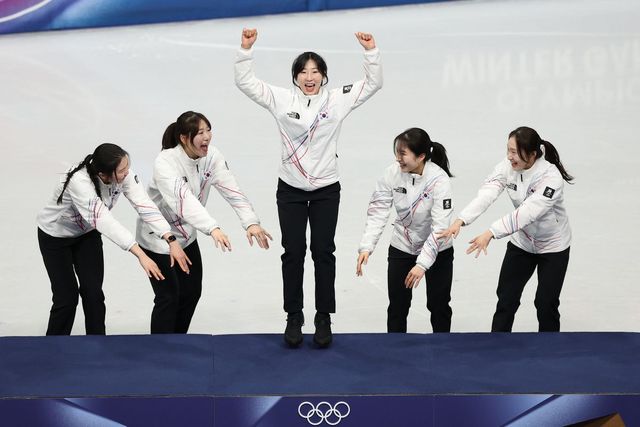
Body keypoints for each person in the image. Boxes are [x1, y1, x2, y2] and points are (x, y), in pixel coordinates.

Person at [235, 28, 383, 348]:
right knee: (293, 252)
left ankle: (324, 316)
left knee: (323, 251)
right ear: (295, 77)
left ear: (324, 76)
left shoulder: (337, 99)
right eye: (303, 72)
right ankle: (294, 315)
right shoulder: (282, 99)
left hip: (326, 189)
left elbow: (373, 83)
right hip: (290, 189)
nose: (309, 77)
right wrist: (245, 49)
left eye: (315, 71)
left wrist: (370, 52)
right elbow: (246, 83)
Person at [136, 111, 272, 334]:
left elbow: (231, 189)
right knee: (168, 297)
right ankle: (160, 347)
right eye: (200, 132)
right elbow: (184, 201)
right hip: (159, 239)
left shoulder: (212, 156)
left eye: (208, 130)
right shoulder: (166, 162)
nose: (207, 136)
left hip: (187, 237)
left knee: (191, 293)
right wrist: (213, 228)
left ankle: (177, 341)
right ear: (184, 138)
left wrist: (250, 222)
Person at [37, 143, 190, 335]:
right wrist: (141, 254)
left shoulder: (122, 174)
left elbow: (144, 204)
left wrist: (170, 238)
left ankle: (97, 342)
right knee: (66, 298)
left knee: (93, 294)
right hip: (55, 237)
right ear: (103, 174)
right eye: (121, 171)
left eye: (127, 167)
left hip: (86, 234)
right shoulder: (80, 182)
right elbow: (105, 221)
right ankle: (53, 345)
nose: (127, 173)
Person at [439, 126, 573, 332]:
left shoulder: (551, 178)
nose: (509, 156)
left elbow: (527, 213)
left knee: (545, 303)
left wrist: (490, 233)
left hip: (553, 247)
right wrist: (461, 220)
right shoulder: (507, 167)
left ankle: (549, 347)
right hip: (522, 243)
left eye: (514, 152)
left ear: (532, 154)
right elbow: (487, 193)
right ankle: (497, 345)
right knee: (506, 299)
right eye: (508, 150)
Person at [356, 128, 455, 333]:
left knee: (439, 306)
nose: (397, 158)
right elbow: (378, 210)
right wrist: (366, 246)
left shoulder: (439, 180)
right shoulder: (392, 173)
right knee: (397, 307)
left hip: (438, 251)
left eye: (403, 154)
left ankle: (444, 347)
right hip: (402, 246)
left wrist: (422, 264)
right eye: (397, 152)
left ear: (421, 156)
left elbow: (440, 228)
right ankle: (394, 348)